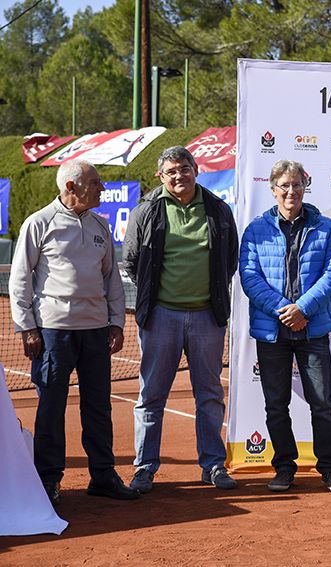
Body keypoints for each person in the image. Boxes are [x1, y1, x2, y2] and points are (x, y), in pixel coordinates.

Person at [10, 159, 138, 504]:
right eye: (95, 182)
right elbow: (20, 279)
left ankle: (103, 475)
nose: (102, 188)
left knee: (99, 407)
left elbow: (112, 278)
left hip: (96, 330)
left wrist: (116, 321)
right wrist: (27, 327)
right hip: (53, 331)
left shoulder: (100, 225)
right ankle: (48, 480)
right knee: (51, 407)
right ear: (71, 188)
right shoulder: (39, 223)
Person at [123, 146, 239, 493]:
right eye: (171, 171)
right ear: (161, 176)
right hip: (161, 317)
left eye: (184, 169)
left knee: (209, 394)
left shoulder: (217, 209)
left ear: (196, 169)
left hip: (207, 316)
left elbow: (229, 258)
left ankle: (213, 465)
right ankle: (145, 467)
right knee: (151, 395)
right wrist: (154, 300)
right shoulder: (147, 209)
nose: (179, 176)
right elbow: (131, 259)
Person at [239, 160, 331, 493]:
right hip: (273, 332)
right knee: (276, 405)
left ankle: (329, 469)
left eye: (297, 184)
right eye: (284, 185)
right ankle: (284, 468)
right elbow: (249, 276)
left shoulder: (325, 227)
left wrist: (302, 309)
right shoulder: (256, 229)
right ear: (273, 189)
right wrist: (282, 309)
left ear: (305, 187)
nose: (291, 191)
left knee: (322, 404)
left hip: (312, 330)